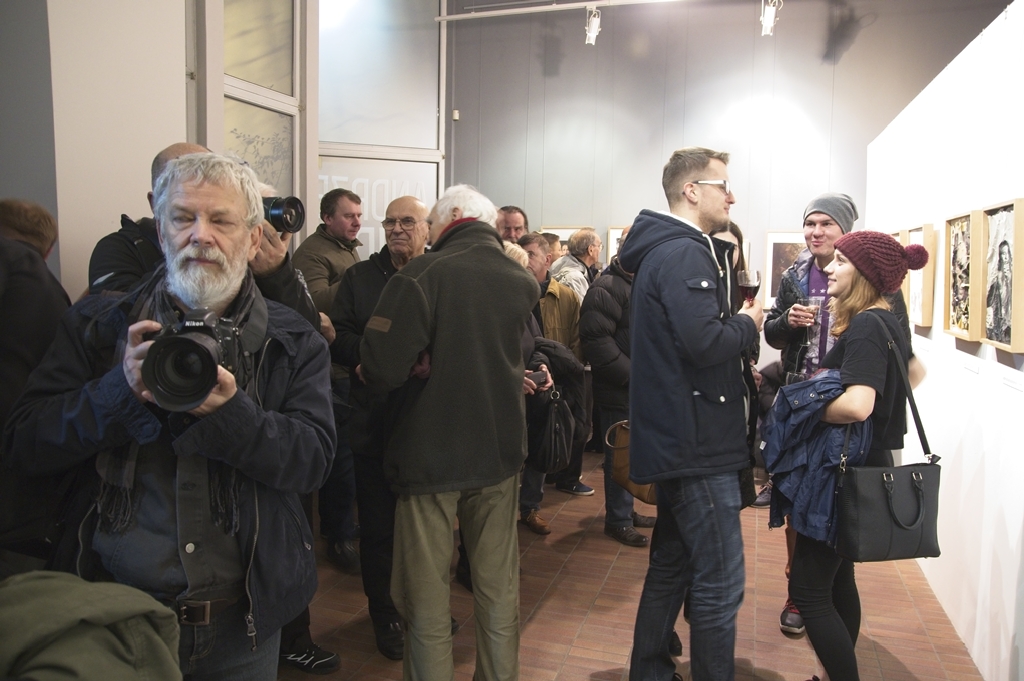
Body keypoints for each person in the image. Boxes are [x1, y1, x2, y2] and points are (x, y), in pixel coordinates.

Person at [3, 153, 336, 681]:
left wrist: (234, 417)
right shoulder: (98, 327)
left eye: (221, 220)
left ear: (254, 239)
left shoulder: (292, 340)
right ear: (161, 232)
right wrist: (118, 392)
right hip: (114, 615)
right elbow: (25, 443)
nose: (200, 235)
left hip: (242, 622)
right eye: (183, 218)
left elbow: (312, 462)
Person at [358, 184, 537, 681]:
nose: (428, 233)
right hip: (500, 453)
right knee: (498, 591)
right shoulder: (520, 279)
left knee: (426, 600)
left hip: (430, 456)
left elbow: (379, 367)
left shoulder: (420, 276)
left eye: (430, 223)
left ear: (454, 215)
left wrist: (412, 358)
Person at [620, 146, 763, 681]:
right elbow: (704, 342)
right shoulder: (684, 252)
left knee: (671, 567)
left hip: (686, 436)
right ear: (691, 190)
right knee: (721, 583)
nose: (732, 196)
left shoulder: (672, 249)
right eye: (723, 185)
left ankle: (650, 671)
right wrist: (749, 322)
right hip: (696, 445)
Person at [787, 230, 928, 681]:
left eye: (842, 261)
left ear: (865, 273)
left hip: (845, 474)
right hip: (865, 466)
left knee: (809, 593)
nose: (829, 267)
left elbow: (858, 405)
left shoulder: (867, 324)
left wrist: (806, 409)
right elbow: (916, 372)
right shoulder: (886, 319)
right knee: (838, 581)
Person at [328, 195, 431, 660]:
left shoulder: (437, 274)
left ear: (427, 228)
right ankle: (385, 613)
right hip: (374, 420)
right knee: (379, 528)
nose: (396, 229)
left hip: (426, 423)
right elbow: (340, 335)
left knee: (426, 530)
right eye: (390, 222)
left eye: (407, 221)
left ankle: (422, 607)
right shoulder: (360, 278)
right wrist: (368, 360)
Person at [293, 188, 364, 575]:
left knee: (351, 455)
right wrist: (358, 277)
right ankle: (338, 536)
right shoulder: (313, 253)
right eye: (349, 215)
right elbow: (316, 303)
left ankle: (345, 527)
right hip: (329, 370)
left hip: (347, 364)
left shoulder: (347, 249)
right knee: (339, 459)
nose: (356, 222)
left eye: (359, 215)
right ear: (327, 218)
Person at [578, 226, 657, 548]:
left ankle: (627, 511)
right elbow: (596, 342)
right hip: (620, 387)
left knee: (632, 454)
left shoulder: (636, 282)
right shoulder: (606, 287)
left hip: (637, 387)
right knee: (619, 454)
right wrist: (635, 376)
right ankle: (618, 520)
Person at [550, 227, 602, 304]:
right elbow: (581, 310)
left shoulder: (560, 264)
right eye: (599, 246)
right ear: (590, 249)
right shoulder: (575, 279)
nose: (600, 250)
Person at [987, 239, 1012, 343]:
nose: (1005, 257)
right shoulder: (997, 280)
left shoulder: (1014, 277)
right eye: (1002, 254)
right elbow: (990, 302)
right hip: (1001, 323)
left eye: (1006, 253)